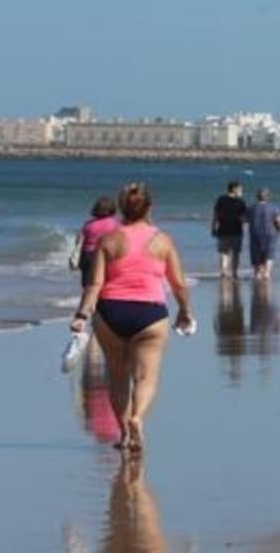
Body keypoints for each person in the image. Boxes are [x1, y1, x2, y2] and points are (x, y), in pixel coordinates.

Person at [71, 182, 193, 453]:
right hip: (150, 313)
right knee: (146, 376)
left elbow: (94, 285)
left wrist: (81, 315)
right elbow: (178, 284)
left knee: (117, 377)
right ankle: (137, 418)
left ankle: (125, 433)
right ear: (149, 208)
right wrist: (185, 311)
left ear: (122, 208)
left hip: (111, 312)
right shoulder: (162, 240)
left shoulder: (109, 240)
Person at [74, 196, 120, 288]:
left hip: (87, 255)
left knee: (88, 285)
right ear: (112, 209)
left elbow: (78, 241)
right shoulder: (115, 224)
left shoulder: (88, 224)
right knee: (105, 283)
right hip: (105, 255)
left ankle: (89, 300)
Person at [248, 187, 280, 280]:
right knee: (269, 256)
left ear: (257, 197)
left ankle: (257, 275)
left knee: (257, 258)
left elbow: (243, 219)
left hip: (255, 235)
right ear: (268, 197)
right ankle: (267, 274)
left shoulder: (251, 208)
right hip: (270, 235)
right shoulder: (273, 208)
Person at [212, 181, 247, 278]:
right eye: (240, 189)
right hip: (236, 231)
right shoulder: (241, 202)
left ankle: (223, 271)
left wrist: (213, 227)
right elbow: (243, 218)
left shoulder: (221, 199)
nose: (241, 191)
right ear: (234, 189)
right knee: (235, 253)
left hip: (223, 230)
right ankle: (234, 272)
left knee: (224, 252)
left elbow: (215, 215)